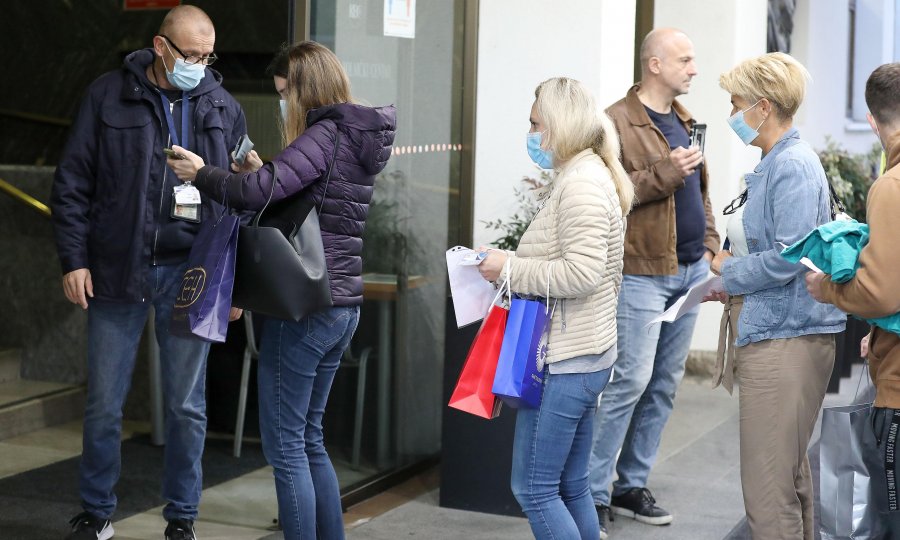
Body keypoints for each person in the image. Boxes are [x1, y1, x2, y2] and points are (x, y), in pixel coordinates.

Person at [167, 41, 396, 540]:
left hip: (309, 308)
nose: (282, 104)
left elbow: (255, 194)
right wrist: (263, 173)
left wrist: (200, 173)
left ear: (305, 90)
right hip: (341, 305)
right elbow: (297, 191)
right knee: (310, 438)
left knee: (287, 446)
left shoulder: (324, 133)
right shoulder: (354, 137)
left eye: (284, 94)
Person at [50, 6, 246, 540]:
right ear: (161, 48)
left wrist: (234, 283)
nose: (201, 66)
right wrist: (75, 259)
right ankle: (96, 513)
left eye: (209, 56)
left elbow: (237, 205)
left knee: (187, 406)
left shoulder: (222, 107)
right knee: (104, 405)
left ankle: (182, 518)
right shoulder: (107, 95)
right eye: (192, 55)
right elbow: (72, 184)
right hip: (117, 270)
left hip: (192, 276)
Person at [476, 77, 634, 540]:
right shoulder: (583, 176)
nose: (530, 133)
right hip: (583, 354)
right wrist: (509, 264)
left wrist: (508, 268)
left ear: (559, 125)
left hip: (567, 360)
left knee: (534, 489)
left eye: (534, 123)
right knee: (570, 484)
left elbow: (580, 275)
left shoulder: (581, 184)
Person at [707, 52, 845, 540]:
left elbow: (791, 258)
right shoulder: (774, 161)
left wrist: (730, 269)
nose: (731, 114)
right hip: (776, 330)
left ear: (763, 107)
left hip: (787, 336)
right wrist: (726, 273)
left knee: (768, 493)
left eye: (736, 103)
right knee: (787, 480)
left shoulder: (793, 165)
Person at [587, 28, 719, 537]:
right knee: (629, 384)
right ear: (655, 64)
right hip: (641, 274)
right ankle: (592, 491)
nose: (694, 69)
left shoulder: (686, 120)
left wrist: (709, 244)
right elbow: (608, 193)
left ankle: (630, 484)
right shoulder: (614, 122)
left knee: (663, 386)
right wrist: (665, 171)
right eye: (685, 60)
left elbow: (701, 193)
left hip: (688, 271)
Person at [806, 61, 900, 537]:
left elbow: (879, 290)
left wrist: (828, 288)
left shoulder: (892, 185)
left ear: (871, 120)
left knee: (891, 519)